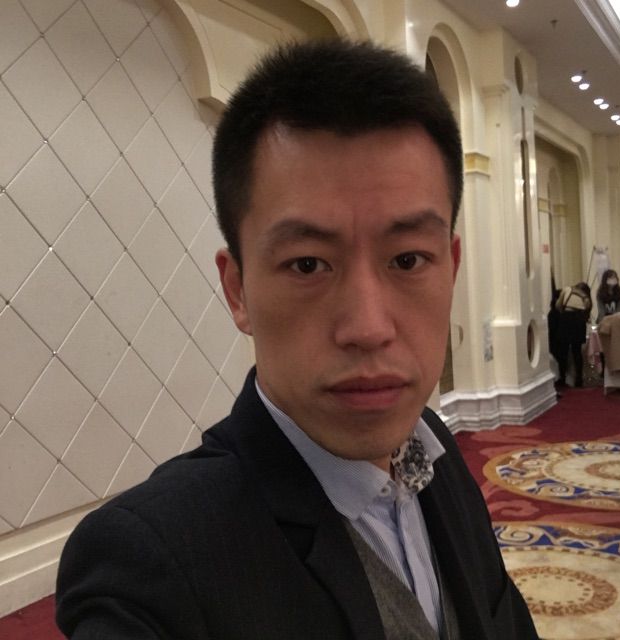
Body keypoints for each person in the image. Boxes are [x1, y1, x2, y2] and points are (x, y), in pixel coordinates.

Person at [56, 39, 538, 640]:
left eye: (408, 259)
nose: (368, 328)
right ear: (238, 290)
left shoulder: (432, 447)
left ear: (452, 266)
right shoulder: (152, 563)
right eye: (308, 264)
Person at [554, 282, 592, 387]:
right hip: (579, 321)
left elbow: (558, 306)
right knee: (577, 352)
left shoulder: (567, 289)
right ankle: (579, 379)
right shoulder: (585, 297)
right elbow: (587, 309)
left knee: (563, 352)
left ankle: (562, 378)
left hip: (566, 319)